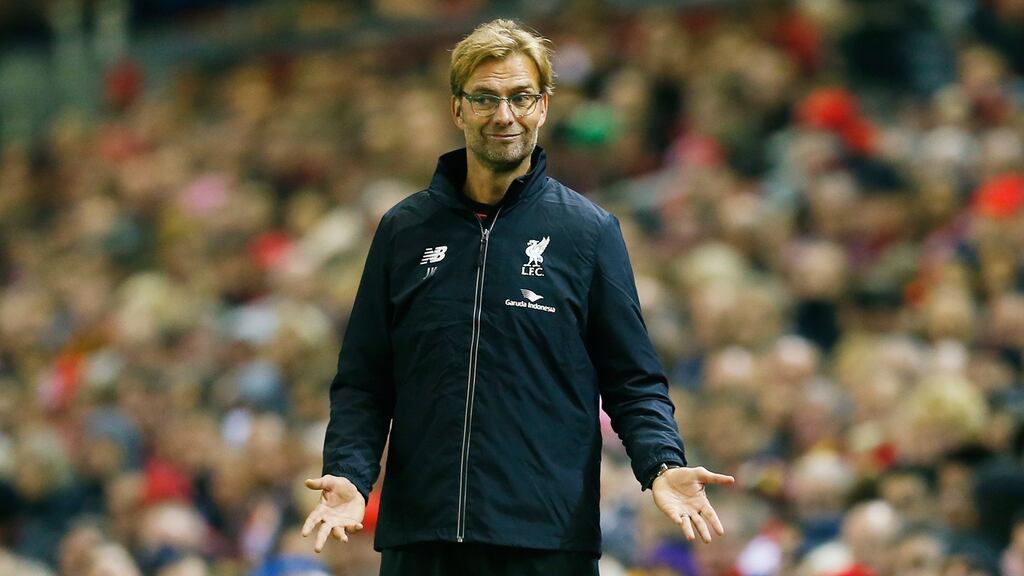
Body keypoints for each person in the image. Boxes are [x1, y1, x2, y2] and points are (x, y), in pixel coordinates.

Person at [301, 18, 734, 575]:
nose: (504, 116)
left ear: (544, 105)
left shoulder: (588, 232)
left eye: (520, 97)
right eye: (484, 98)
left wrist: (661, 464)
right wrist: (350, 473)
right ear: (457, 108)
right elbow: (364, 380)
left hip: (547, 542)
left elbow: (633, 380)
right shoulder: (403, 231)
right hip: (423, 539)